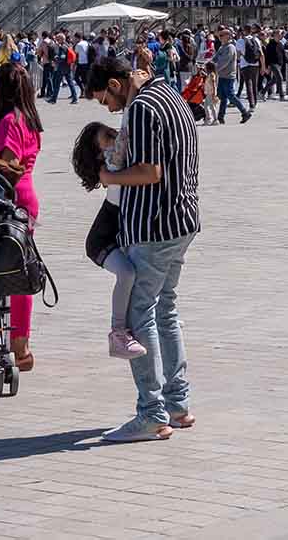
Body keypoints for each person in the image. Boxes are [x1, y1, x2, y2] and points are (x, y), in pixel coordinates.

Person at [88, 54, 200, 443]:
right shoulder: (169, 93)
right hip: (182, 220)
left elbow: (150, 172)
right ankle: (178, 404)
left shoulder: (142, 109)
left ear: (116, 86)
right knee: (166, 309)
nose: (109, 108)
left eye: (106, 99)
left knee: (140, 317)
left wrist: (107, 175)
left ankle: (151, 413)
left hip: (153, 227)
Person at [0, 64, 44, 371]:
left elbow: (8, 164)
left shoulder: (9, 122)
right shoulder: (29, 120)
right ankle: (20, 341)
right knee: (20, 269)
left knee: (5, 271)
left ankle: (14, 340)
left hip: (8, 200)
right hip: (26, 198)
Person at [70, 120, 149, 362]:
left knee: (141, 274)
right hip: (100, 241)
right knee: (127, 274)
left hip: (118, 236)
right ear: (98, 152)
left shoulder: (118, 166)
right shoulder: (111, 170)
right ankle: (117, 334)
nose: (114, 137)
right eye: (108, 137)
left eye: (112, 133)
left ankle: (151, 318)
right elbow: (125, 140)